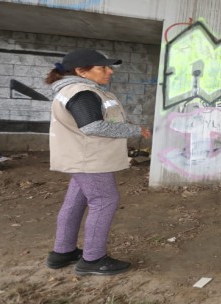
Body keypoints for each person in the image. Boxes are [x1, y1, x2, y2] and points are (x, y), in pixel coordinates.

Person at [44, 48, 151, 276]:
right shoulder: (82, 92)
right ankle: (93, 259)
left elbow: (98, 120)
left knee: (75, 201)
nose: (109, 71)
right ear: (82, 71)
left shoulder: (77, 90)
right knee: (105, 199)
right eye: (102, 67)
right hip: (89, 159)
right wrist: (134, 129)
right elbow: (92, 126)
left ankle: (62, 252)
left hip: (82, 158)